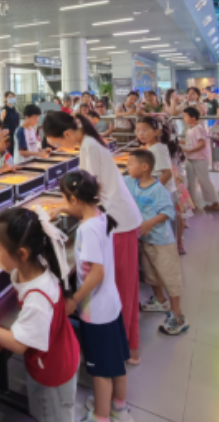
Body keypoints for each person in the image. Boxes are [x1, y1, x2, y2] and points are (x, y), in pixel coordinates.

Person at [0, 208, 78, 422]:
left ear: (22, 254)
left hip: (53, 372)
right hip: (55, 353)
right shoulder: (32, 263)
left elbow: (18, 344)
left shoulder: (37, 298)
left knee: (50, 414)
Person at [43, 112, 144, 363]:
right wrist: (64, 206)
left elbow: (88, 193)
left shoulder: (88, 146)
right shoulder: (89, 142)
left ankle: (122, 350)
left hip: (118, 222)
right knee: (124, 285)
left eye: (58, 143)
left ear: (67, 134)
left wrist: (64, 207)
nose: (60, 148)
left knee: (120, 286)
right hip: (118, 219)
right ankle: (127, 345)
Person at [58, 171, 133, 422]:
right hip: (111, 303)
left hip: (96, 310)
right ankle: (119, 407)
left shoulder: (87, 230)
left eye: (64, 199)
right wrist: (62, 208)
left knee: (100, 369)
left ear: (74, 199)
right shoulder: (101, 216)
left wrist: (74, 299)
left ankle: (101, 416)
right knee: (116, 360)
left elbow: (96, 273)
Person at [124, 150, 189, 335]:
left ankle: (177, 314)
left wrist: (150, 222)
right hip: (145, 239)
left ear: (144, 167)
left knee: (169, 275)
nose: (127, 167)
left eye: (130, 164)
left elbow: (168, 211)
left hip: (161, 240)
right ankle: (160, 301)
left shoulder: (158, 189)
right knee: (150, 272)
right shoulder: (131, 182)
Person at [136, 117, 189, 253]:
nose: (140, 134)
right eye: (138, 130)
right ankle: (175, 244)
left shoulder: (157, 149)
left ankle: (173, 246)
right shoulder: (153, 147)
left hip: (164, 191)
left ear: (156, 132)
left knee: (168, 219)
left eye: (145, 130)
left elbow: (167, 173)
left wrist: (152, 190)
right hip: (165, 190)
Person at [182, 107, 219, 212]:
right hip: (190, 158)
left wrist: (189, 150)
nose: (184, 118)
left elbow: (201, 144)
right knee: (190, 181)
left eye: (186, 116)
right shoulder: (190, 129)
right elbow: (190, 141)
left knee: (204, 181)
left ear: (193, 118)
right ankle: (192, 203)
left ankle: (214, 203)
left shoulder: (199, 128)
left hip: (200, 159)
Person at [1, 91, 21, 155]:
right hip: (8, 135)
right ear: (5, 98)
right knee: (9, 152)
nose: (12, 98)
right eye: (10, 97)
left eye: (13, 97)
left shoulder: (14, 109)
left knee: (15, 151)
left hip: (15, 133)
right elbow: (0, 123)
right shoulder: (4, 110)